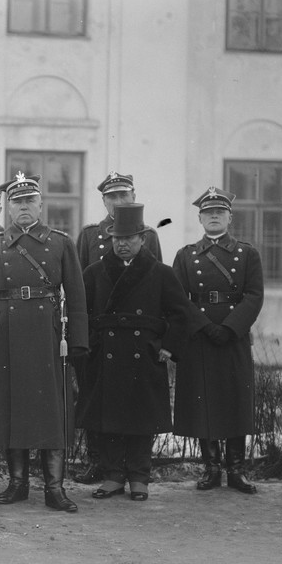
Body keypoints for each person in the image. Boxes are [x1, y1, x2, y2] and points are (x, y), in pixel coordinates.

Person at [0, 173, 87, 513]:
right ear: (8, 207)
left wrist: (77, 340)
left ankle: (55, 487)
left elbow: (76, 296)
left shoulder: (61, 243)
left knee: (52, 408)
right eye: (16, 202)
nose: (22, 207)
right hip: (4, 333)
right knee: (11, 406)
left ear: (40, 205)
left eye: (28, 201)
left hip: (47, 334)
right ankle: (17, 483)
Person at [79, 203, 196, 502]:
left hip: (143, 356)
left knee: (141, 420)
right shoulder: (94, 272)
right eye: (118, 238)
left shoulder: (160, 273)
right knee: (108, 419)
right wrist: (91, 345)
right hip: (105, 355)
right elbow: (82, 313)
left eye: (129, 238)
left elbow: (182, 313)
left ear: (143, 239)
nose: (123, 244)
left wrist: (168, 347)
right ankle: (113, 475)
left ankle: (139, 476)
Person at [74, 171, 163, 485]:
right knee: (98, 400)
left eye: (123, 195)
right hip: (102, 336)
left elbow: (157, 288)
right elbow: (79, 289)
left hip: (137, 337)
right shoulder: (88, 236)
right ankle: (98, 462)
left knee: (136, 403)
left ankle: (135, 471)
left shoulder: (148, 235)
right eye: (111, 196)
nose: (118, 202)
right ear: (103, 200)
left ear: (133, 196)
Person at [172, 187, 263, 494]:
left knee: (236, 400)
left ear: (229, 218)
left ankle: (236, 470)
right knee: (203, 401)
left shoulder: (248, 254)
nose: (214, 217)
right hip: (200, 338)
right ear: (200, 218)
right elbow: (178, 299)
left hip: (233, 337)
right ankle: (211, 469)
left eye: (219, 212)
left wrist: (230, 326)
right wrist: (203, 325)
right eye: (208, 213)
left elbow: (254, 296)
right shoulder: (185, 256)